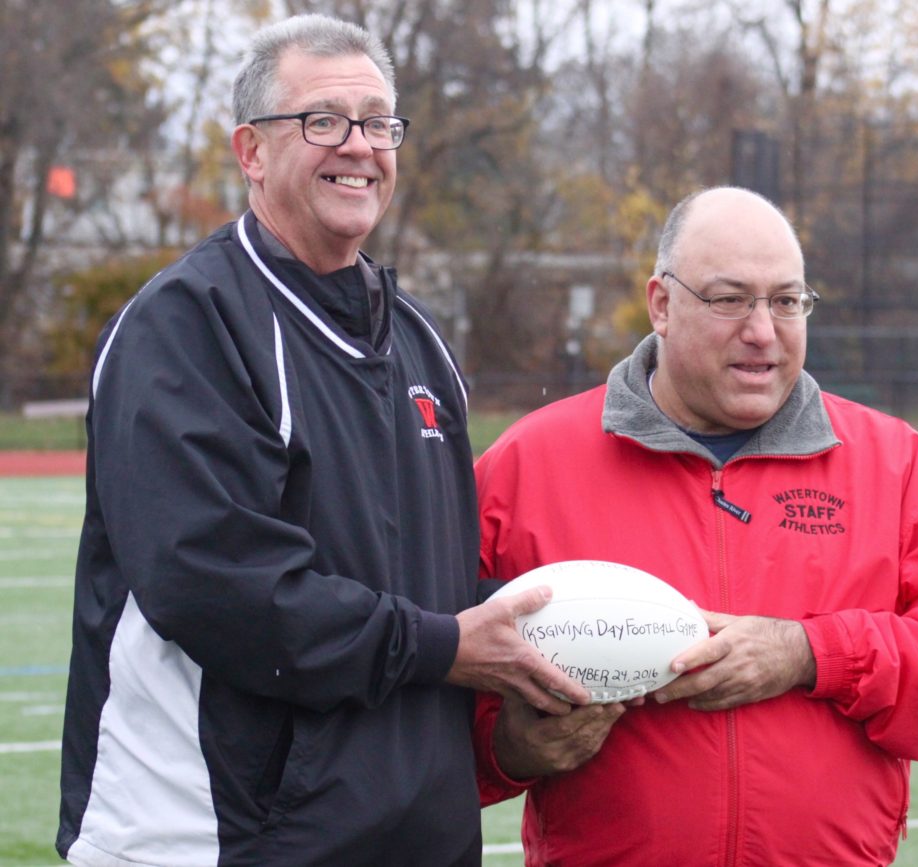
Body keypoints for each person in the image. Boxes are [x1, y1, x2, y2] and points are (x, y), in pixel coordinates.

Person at [57, 14, 587, 867]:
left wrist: (574, 622)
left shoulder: (418, 338)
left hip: (412, 837)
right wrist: (451, 645)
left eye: (378, 122)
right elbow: (220, 584)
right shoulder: (188, 326)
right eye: (322, 121)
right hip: (220, 838)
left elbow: (424, 580)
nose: (359, 146)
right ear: (251, 151)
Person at [473, 186, 918, 865]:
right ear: (662, 306)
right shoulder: (528, 467)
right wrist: (509, 748)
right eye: (730, 298)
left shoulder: (894, 463)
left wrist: (810, 653)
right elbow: (427, 685)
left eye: (786, 300)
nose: (763, 329)